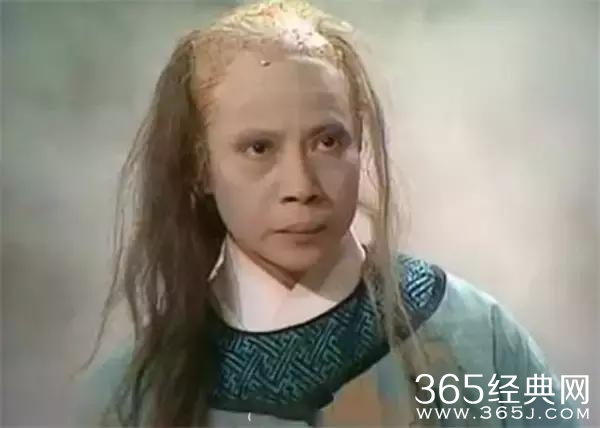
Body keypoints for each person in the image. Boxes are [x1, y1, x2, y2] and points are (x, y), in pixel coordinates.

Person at [77, 1, 578, 426]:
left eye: (327, 142)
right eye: (258, 148)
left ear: (359, 141)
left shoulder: (476, 337)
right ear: (200, 167)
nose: (301, 187)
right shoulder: (130, 399)